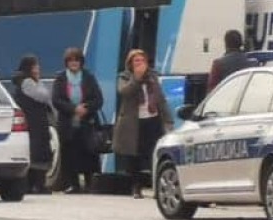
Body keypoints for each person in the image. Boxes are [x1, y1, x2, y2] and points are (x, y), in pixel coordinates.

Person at [113, 48, 174, 199]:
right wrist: (137, 79)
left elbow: (160, 98)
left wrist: (168, 120)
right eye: (136, 61)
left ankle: (157, 187)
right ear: (130, 64)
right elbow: (124, 92)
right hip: (134, 122)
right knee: (135, 156)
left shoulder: (152, 76)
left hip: (152, 119)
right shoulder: (125, 77)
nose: (139, 64)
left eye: (142, 60)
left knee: (154, 153)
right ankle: (136, 187)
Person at [52, 47, 104, 193]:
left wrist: (86, 108)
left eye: (77, 60)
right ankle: (73, 184)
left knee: (88, 153)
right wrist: (73, 109)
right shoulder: (61, 78)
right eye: (71, 60)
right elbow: (56, 100)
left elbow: (99, 99)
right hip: (68, 123)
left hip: (87, 122)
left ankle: (89, 183)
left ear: (81, 62)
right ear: (66, 63)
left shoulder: (89, 77)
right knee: (69, 154)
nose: (74, 63)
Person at [12, 54, 54, 193]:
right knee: (38, 153)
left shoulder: (25, 81)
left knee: (35, 152)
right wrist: (39, 83)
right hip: (34, 123)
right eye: (35, 66)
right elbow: (43, 96)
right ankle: (37, 185)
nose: (38, 69)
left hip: (34, 122)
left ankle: (31, 185)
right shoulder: (28, 82)